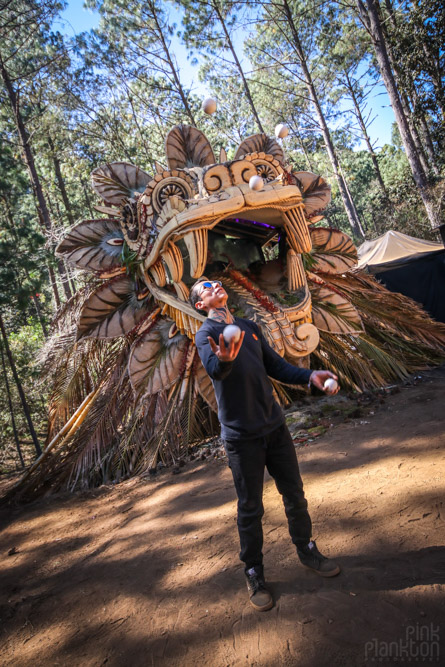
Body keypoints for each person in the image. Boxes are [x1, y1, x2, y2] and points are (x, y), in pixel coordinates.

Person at [191, 278, 341, 612]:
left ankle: (306, 549)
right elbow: (215, 369)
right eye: (205, 288)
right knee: (250, 508)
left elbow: (276, 367)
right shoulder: (206, 336)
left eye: (215, 283)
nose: (214, 286)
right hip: (241, 438)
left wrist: (308, 376)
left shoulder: (249, 327)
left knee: (294, 492)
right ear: (201, 305)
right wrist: (226, 358)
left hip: (274, 427)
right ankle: (254, 571)